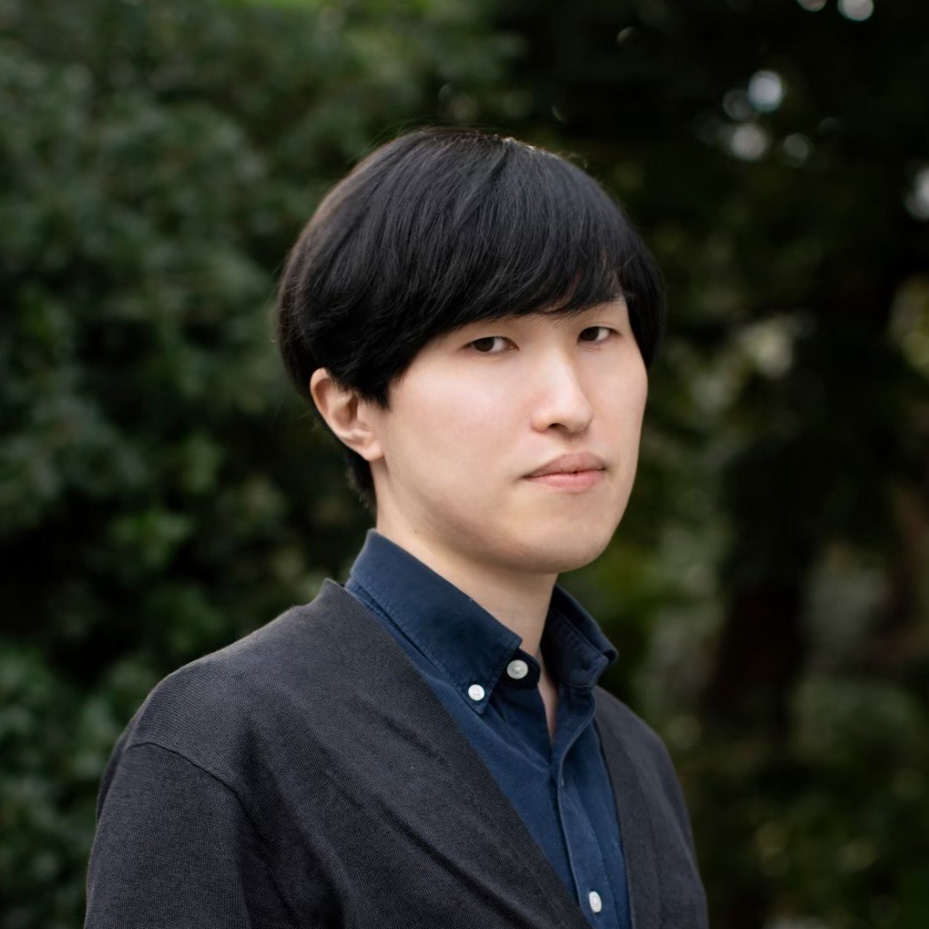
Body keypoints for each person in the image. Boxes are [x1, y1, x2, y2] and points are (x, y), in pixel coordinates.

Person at [84, 127, 709, 929]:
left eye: (596, 334)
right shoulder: (229, 741)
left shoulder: (637, 764)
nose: (571, 403)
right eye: (490, 342)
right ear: (351, 409)